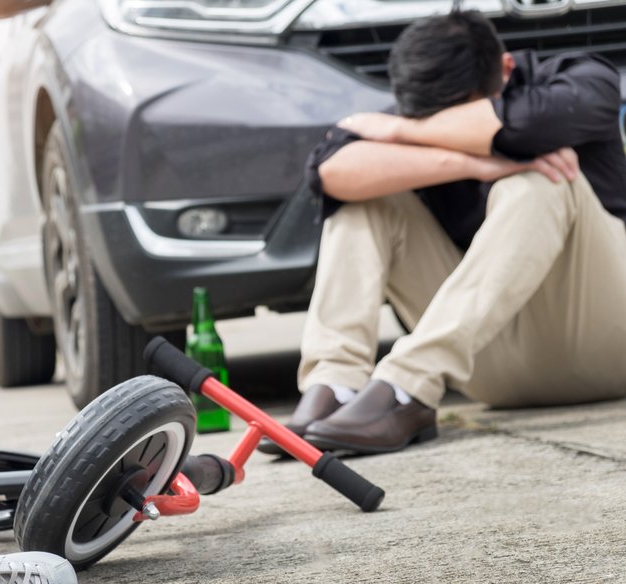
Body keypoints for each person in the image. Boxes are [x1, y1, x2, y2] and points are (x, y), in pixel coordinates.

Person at [260, 10, 626, 456]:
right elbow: (329, 172)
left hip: (608, 342)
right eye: (425, 120)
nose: (442, 129)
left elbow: (531, 126)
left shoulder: (580, 79)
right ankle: (337, 386)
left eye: (456, 118)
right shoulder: (427, 105)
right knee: (365, 196)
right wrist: (473, 161)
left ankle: (404, 386)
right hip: (493, 369)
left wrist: (400, 131)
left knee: (543, 177)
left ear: (507, 70)